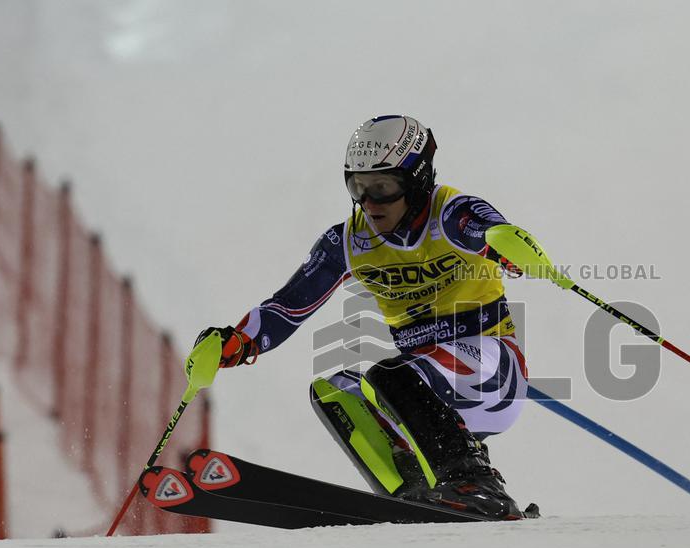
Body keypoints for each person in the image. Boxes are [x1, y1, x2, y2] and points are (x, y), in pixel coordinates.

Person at [197, 115, 555, 519]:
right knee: (334, 392)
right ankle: (415, 487)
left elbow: (490, 231)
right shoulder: (349, 241)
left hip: (491, 371)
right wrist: (237, 341)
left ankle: (479, 486)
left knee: (390, 375)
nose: (369, 204)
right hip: (427, 387)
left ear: (416, 180)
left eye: (382, 188)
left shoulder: (450, 214)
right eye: (358, 188)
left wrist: (505, 244)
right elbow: (286, 306)